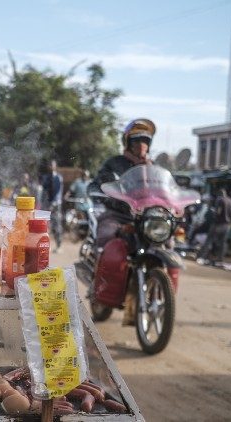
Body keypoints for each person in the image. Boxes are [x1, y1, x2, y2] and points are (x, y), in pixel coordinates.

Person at [89, 118, 155, 325]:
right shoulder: (115, 163)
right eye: (136, 140)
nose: (141, 145)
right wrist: (107, 194)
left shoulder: (153, 169)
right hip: (117, 215)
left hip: (146, 219)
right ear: (128, 143)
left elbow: (165, 191)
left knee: (167, 242)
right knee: (108, 240)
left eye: (145, 140)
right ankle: (99, 286)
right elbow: (98, 184)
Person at [198, 188, 231, 265]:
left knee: (209, 241)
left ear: (219, 194)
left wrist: (214, 217)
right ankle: (220, 259)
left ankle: (202, 257)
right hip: (226, 225)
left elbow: (218, 212)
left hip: (218, 224)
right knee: (223, 243)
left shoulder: (220, 200)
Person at [40, 160, 63, 253]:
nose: (50, 167)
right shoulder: (46, 178)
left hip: (56, 205)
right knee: (44, 225)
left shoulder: (58, 177)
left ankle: (58, 246)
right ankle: (45, 245)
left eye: (52, 165)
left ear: (55, 166)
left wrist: (53, 204)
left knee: (56, 225)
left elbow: (58, 192)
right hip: (47, 204)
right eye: (49, 165)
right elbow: (44, 191)